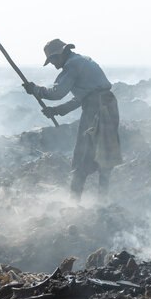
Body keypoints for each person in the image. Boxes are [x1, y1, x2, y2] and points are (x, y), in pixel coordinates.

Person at [24, 39, 122, 198]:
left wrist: (35, 89)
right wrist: (57, 111)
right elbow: (82, 97)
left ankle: (74, 202)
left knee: (82, 154)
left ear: (60, 54)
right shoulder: (83, 61)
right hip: (109, 106)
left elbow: (57, 93)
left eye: (54, 60)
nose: (54, 65)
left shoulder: (72, 66)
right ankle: (102, 201)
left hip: (95, 109)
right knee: (106, 152)